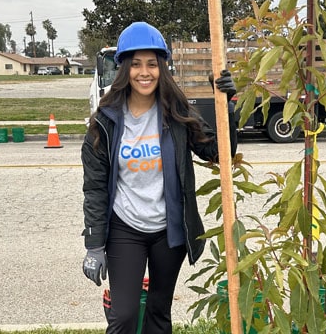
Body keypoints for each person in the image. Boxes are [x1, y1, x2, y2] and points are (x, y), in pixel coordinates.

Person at [80, 21, 238, 334]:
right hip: (125, 228)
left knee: (158, 312)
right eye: (136, 64)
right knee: (123, 315)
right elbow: (95, 187)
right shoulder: (105, 121)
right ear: (123, 68)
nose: (144, 72)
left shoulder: (176, 112)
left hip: (169, 231)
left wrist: (227, 107)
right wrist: (95, 245)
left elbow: (219, 153)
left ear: (162, 67)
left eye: (152, 64)